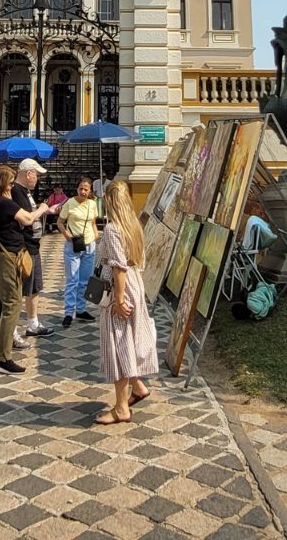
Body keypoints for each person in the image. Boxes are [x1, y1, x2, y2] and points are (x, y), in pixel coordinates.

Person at [94, 180, 155, 424]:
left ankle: (121, 407)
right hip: (135, 284)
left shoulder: (112, 228)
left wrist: (118, 300)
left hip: (120, 288)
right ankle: (137, 385)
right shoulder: (134, 226)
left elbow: (118, 267)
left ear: (109, 201)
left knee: (118, 343)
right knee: (127, 339)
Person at [0, 166, 40, 373]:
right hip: (6, 257)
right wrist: (43, 208)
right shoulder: (3, 203)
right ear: (5, 185)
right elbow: (28, 219)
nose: (13, 186)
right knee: (12, 304)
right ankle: (3, 358)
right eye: (11, 183)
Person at [11, 159, 54, 345]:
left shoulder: (26, 192)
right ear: (28, 173)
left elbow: (31, 214)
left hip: (33, 246)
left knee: (34, 287)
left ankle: (33, 324)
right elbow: (26, 219)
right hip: (23, 247)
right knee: (19, 289)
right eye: (36, 175)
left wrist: (45, 211)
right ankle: (11, 331)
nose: (37, 179)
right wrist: (42, 208)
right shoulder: (16, 192)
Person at [56, 178, 100, 328]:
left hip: (89, 245)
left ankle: (81, 309)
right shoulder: (69, 203)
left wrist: (96, 237)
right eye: (81, 188)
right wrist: (68, 236)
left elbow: (93, 223)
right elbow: (60, 222)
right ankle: (69, 312)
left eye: (86, 189)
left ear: (90, 192)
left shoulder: (93, 204)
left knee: (85, 280)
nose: (83, 192)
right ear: (77, 189)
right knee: (72, 280)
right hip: (73, 245)